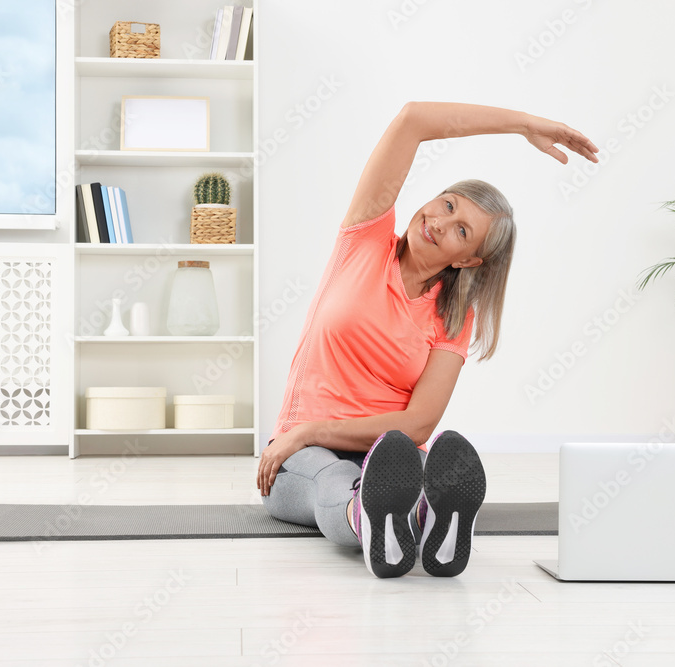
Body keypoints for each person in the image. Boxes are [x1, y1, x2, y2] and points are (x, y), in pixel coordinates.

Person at [257, 101, 599, 578]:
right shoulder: (365, 241)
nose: (439, 222)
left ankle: (423, 518)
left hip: (387, 453)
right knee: (334, 479)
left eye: (461, 230)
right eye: (448, 203)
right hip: (303, 451)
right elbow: (413, 120)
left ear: (468, 261)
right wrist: (524, 124)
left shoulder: (455, 316)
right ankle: (384, 518)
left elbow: (419, 425)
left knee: (400, 469)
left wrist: (319, 429)